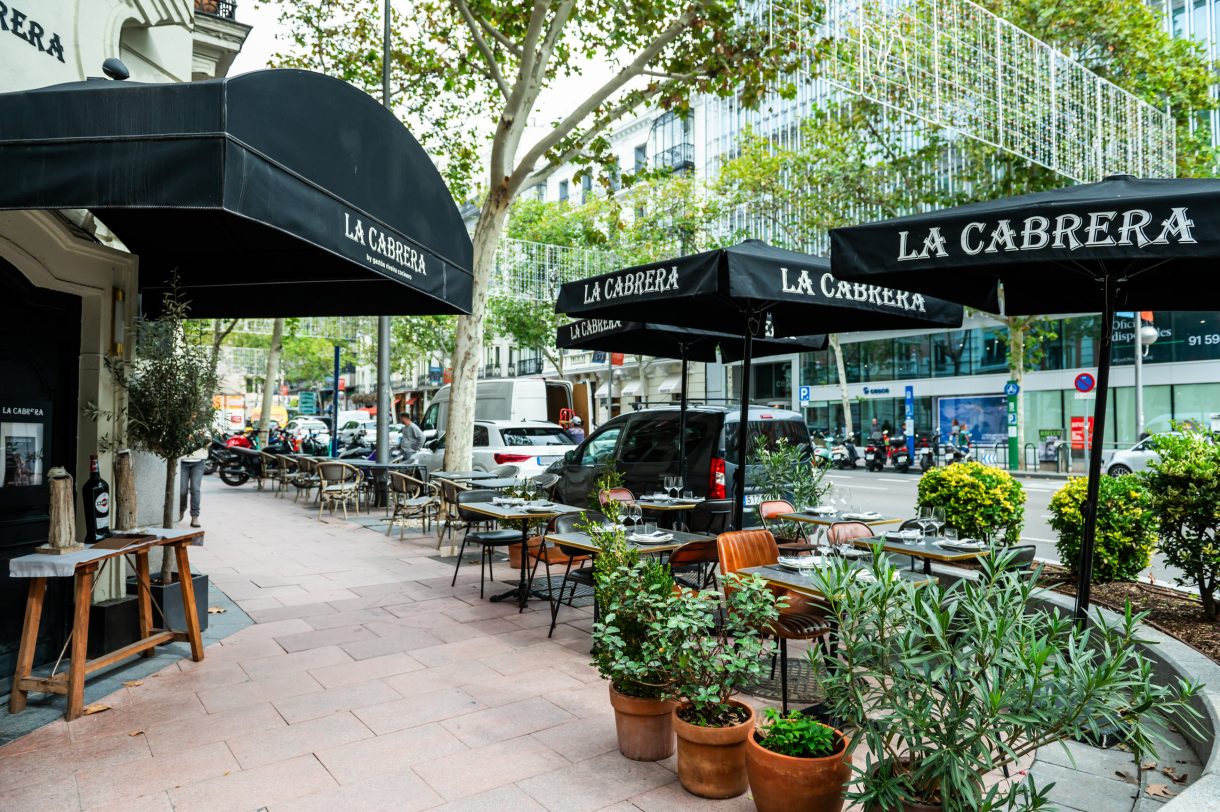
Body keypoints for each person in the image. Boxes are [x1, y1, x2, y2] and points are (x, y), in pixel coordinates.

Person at [179, 444, 207, 527]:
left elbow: (209, 439)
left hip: (198, 462)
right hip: (182, 460)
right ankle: (181, 509)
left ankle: (195, 516)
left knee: (195, 489)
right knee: (182, 490)